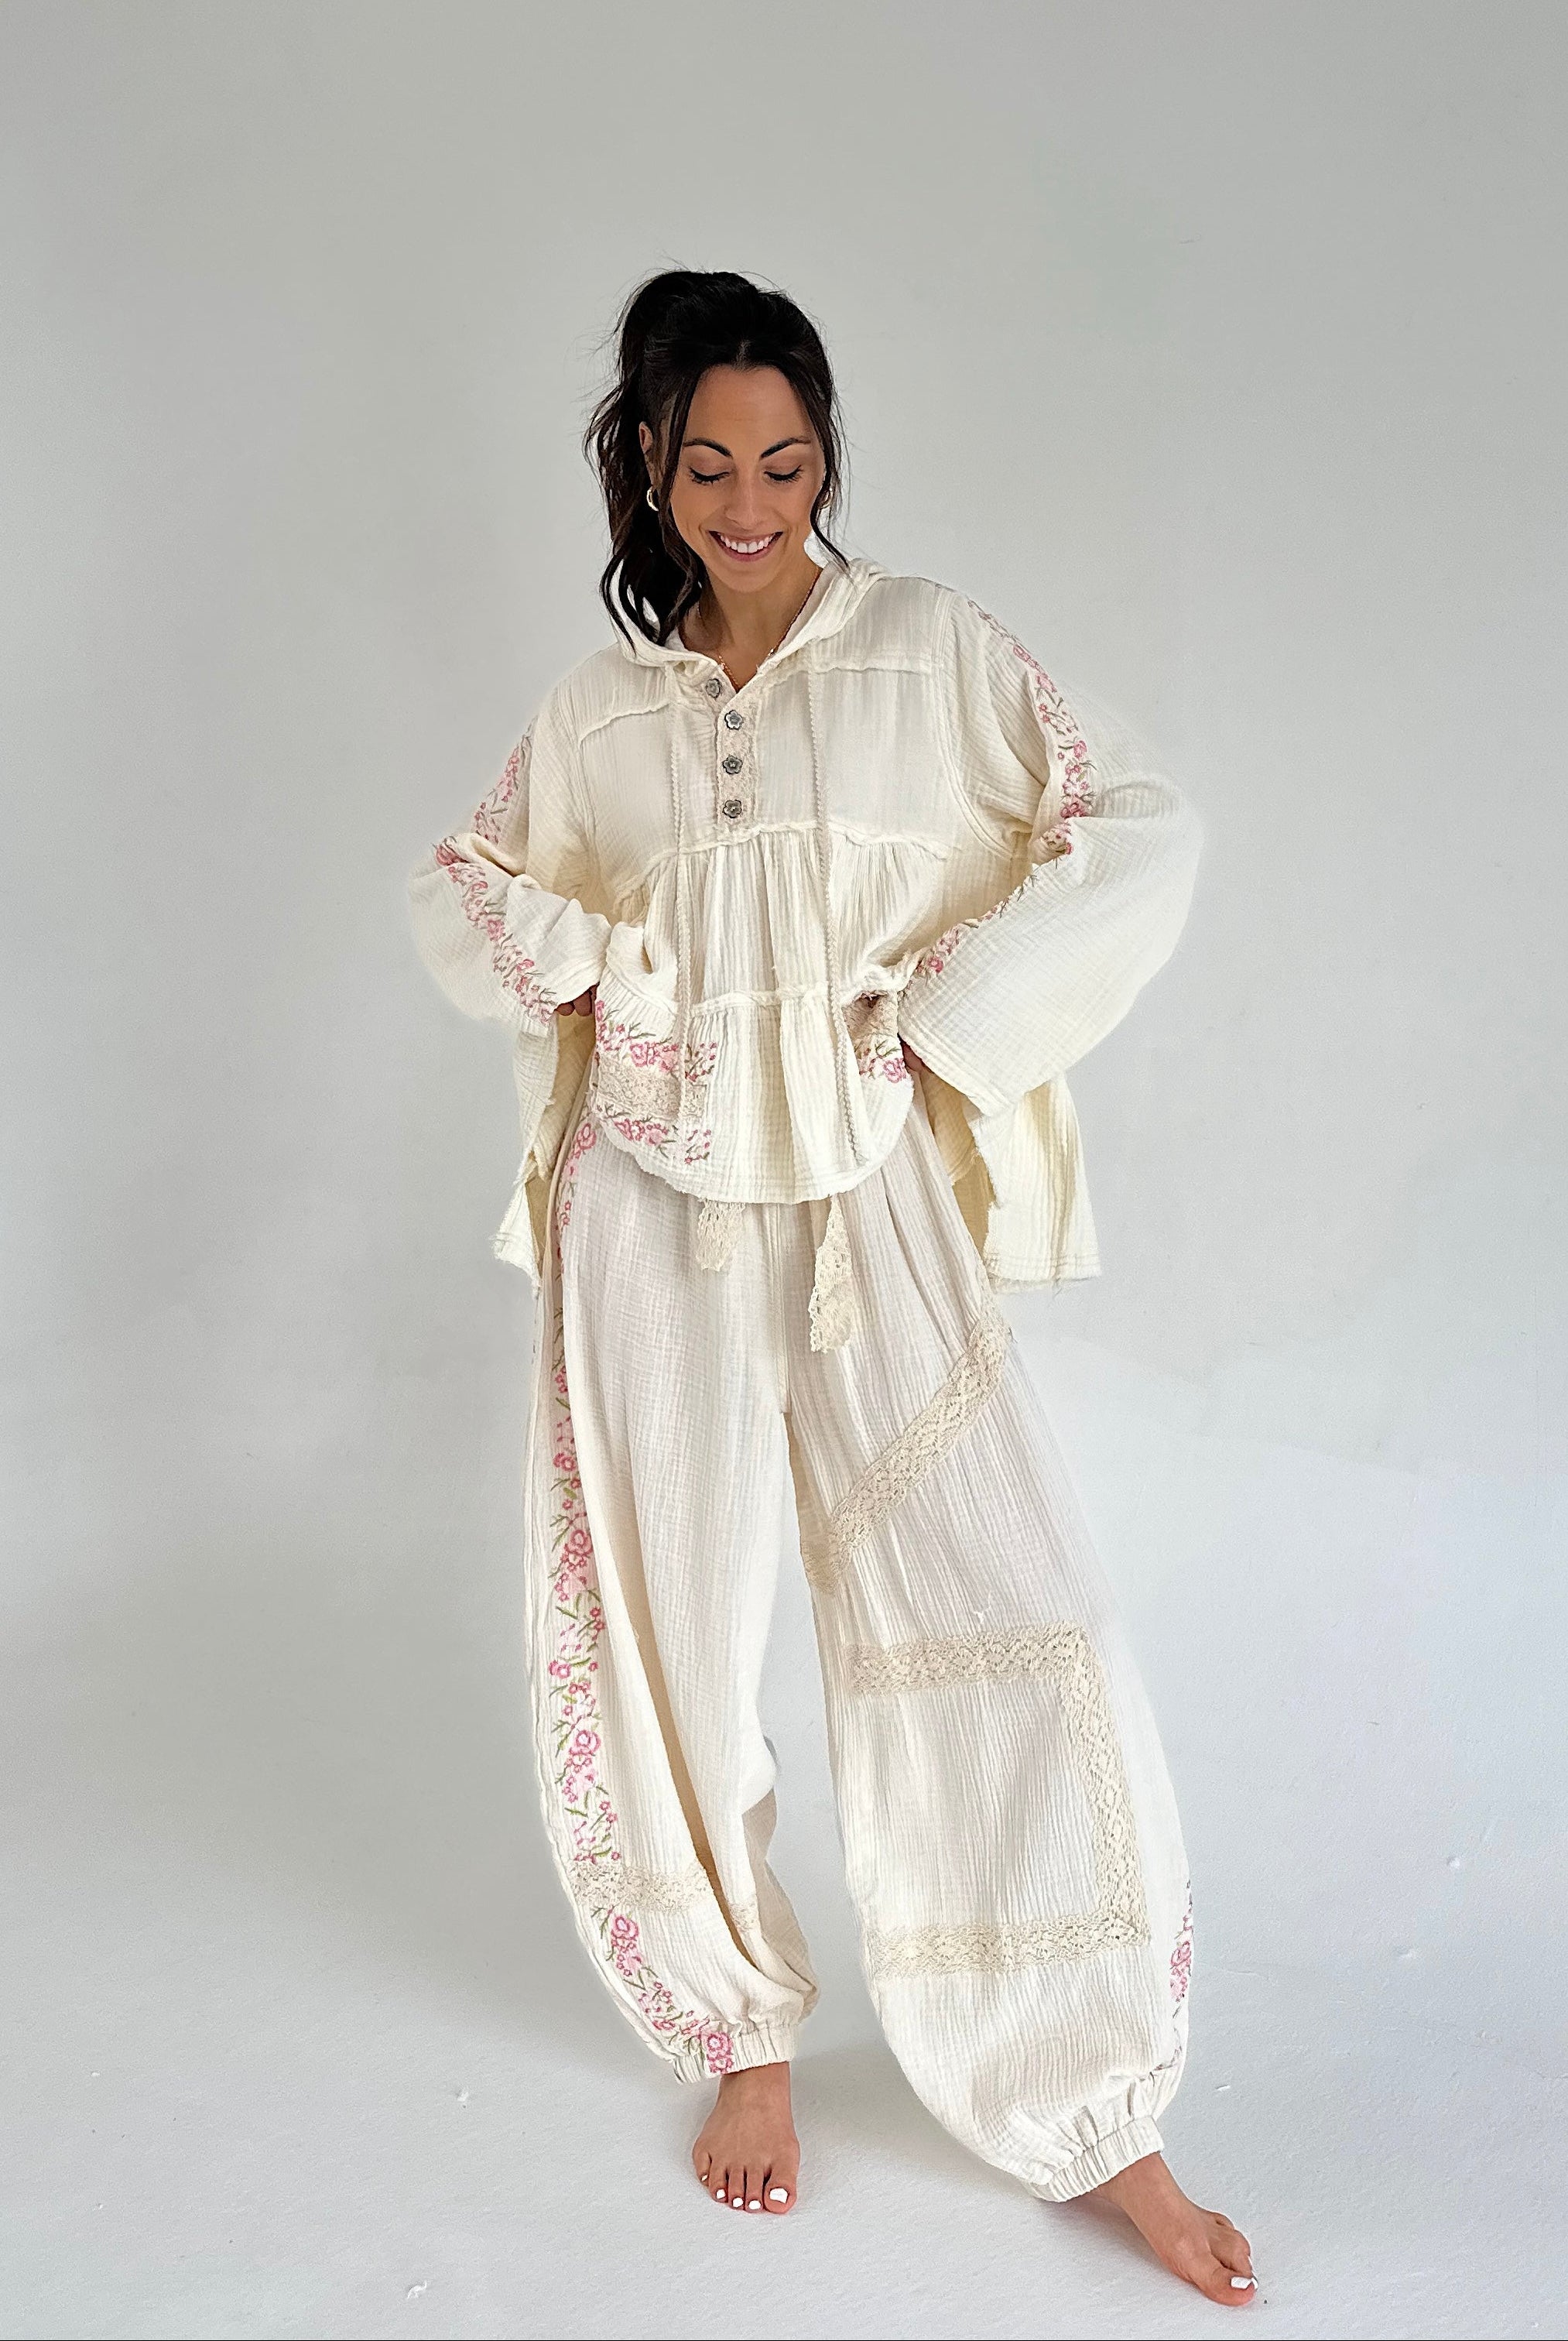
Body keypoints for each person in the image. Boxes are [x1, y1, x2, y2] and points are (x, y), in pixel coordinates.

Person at [407, 269, 1256, 2306]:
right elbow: (458, 895)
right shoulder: (596, 716)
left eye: (786, 461)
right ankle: (743, 2033)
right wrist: (599, 966)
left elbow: (1138, 827)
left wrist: (938, 1019)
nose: (751, 500)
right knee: (664, 1620)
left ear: (826, 460)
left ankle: (1091, 2110)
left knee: (998, 1597)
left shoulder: (934, 652)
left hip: (869, 1196)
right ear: (646, 469)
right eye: (708, 465)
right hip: (651, 1202)